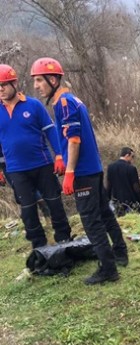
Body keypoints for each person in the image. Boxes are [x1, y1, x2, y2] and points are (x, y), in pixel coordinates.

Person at [31, 57, 127, 285]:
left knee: (91, 220)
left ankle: (108, 269)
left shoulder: (64, 103)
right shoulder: (72, 100)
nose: (36, 86)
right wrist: (63, 159)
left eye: (39, 81)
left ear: (52, 79)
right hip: (93, 168)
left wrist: (70, 171)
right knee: (105, 213)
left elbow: (74, 140)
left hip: (83, 172)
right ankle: (120, 253)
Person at [0, 64, 71, 249]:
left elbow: (51, 130)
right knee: (28, 209)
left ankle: (64, 238)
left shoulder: (33, 105)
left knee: (54, 202)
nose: (0, 89)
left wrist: (60, 156)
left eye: (3, 84)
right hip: (15, 169)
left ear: (14, 83)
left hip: (42, 164)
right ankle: (39, 245)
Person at [105, 147, 140, 217]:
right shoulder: (131, 168)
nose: (132, 159)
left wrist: (107, 198)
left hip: (116, 201)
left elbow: (108, 185)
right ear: (127, 155)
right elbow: (136, 187)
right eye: (132, 156)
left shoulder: (110, 167)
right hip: (130, 202)